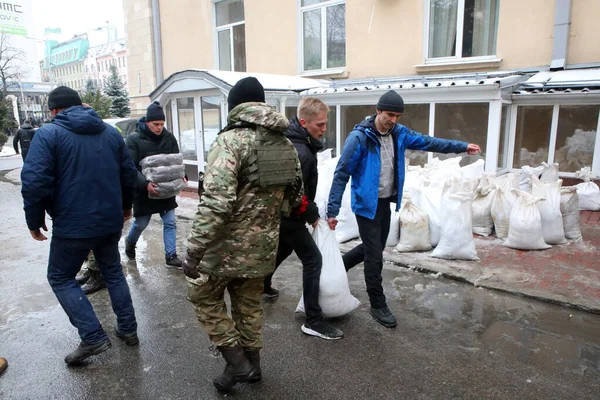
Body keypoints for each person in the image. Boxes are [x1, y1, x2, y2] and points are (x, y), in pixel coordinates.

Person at [183, 77, 303, 393]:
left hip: (224, 247)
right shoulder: (285, 144)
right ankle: (252, 367)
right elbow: (294, 197)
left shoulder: (230, 142)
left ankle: (238, 363)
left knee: (202, 295)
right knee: (248, 303)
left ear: (234, 107)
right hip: (263, 246)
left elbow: (217, 202)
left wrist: (195, 248)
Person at [327, 90, 481, 328]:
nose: (394, 120)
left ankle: (340, 265)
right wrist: (332, 210)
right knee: (375, 256)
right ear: (378, 110)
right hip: (365, 205)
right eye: (390, 114)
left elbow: (430, 142)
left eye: (398, 116)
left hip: (385, 202)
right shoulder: (360, 138)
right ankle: (378, 304)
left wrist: (461, 146)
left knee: (374, 246)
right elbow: (341, 174)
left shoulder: (399, 134)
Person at [21, 86, 139, 365]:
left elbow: (35, 182)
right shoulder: (111, 133)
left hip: (73, 224)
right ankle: (128, 329)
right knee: (112, 271)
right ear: (81, 106)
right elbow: (128, 175)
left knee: (60, 277)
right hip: (109, 220)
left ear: (53, 111)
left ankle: (92, 336)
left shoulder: (48, 134)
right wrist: (125, 208)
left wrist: (34, 220)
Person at [263, 97, 343, 340]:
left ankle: (261, 285)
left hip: (285, 213)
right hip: (289, 214)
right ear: (304, 122)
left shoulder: (297, 142)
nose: (324, 129)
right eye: (320, 124)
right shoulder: (301, 152)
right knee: (313, 259)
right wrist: (313, 216)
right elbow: (295, 193)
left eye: (325, 123)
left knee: (284, 250)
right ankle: (313, 319)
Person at [124, 101, 184, 268]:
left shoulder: (169, 138)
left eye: (162, 124)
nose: (159, 128)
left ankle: (171, 256)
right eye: (155, 124)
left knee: (170, 222)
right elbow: (130, 167)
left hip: (166, 190)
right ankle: (130, 243)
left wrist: (183, 176)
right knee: (141, 224)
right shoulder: (133, 140)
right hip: (144, 192)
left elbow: (176, 163)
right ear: (147, 122)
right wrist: (145, 184)